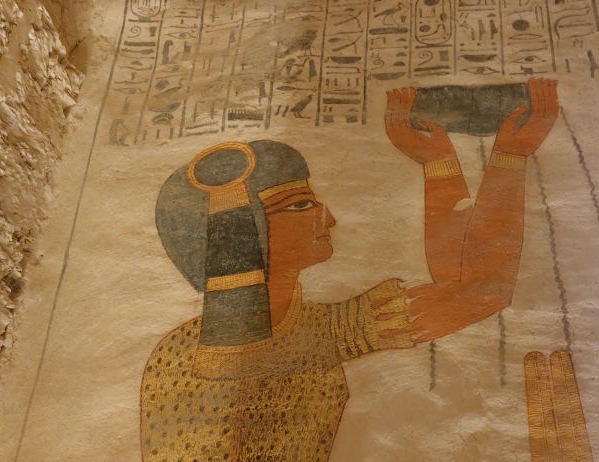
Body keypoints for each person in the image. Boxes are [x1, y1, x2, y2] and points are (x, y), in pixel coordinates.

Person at [141, 78, 559, 461]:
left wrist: (443, 163)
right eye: (299, 206)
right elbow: (479, 291)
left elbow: (475, 290)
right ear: (240, 236)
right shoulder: (196, 357)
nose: (329, 219)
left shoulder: (312, 330)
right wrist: (507, 158)